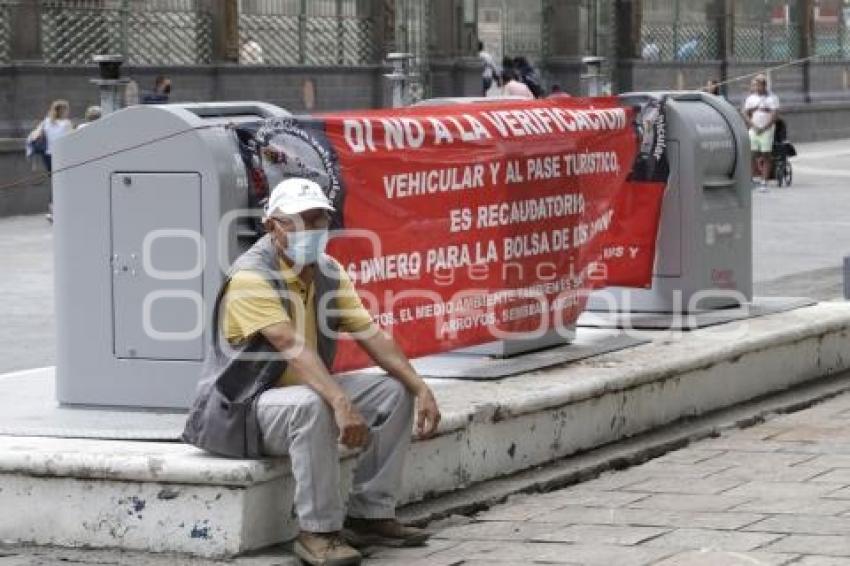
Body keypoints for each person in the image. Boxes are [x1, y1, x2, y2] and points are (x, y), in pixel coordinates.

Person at [214, 178, 441, 565]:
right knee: (311, 403)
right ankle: (317, 531)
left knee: (394, 391)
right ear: (273, 226)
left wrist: (420, 387)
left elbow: (370, 332)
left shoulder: (326, 269)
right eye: (301, 221)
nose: (313, 230)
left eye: (319, 220)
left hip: (301, 398)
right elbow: (290, 346)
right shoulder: (251, 277)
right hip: (245, 410)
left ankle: (370, 514)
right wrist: (339, 400)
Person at [742, 74, 780, 192]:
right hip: (754, 130)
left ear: (764, 85)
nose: (756, 87)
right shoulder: (750, 98)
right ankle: (751, 179)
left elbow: (774, 115)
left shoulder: (772, 98)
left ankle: (764, 181)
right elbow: (745, 112)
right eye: (755, 85)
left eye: (759, 84)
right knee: (751, 154)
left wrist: (764, 127)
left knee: (765, 155)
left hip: (766, 130)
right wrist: (753, 125)